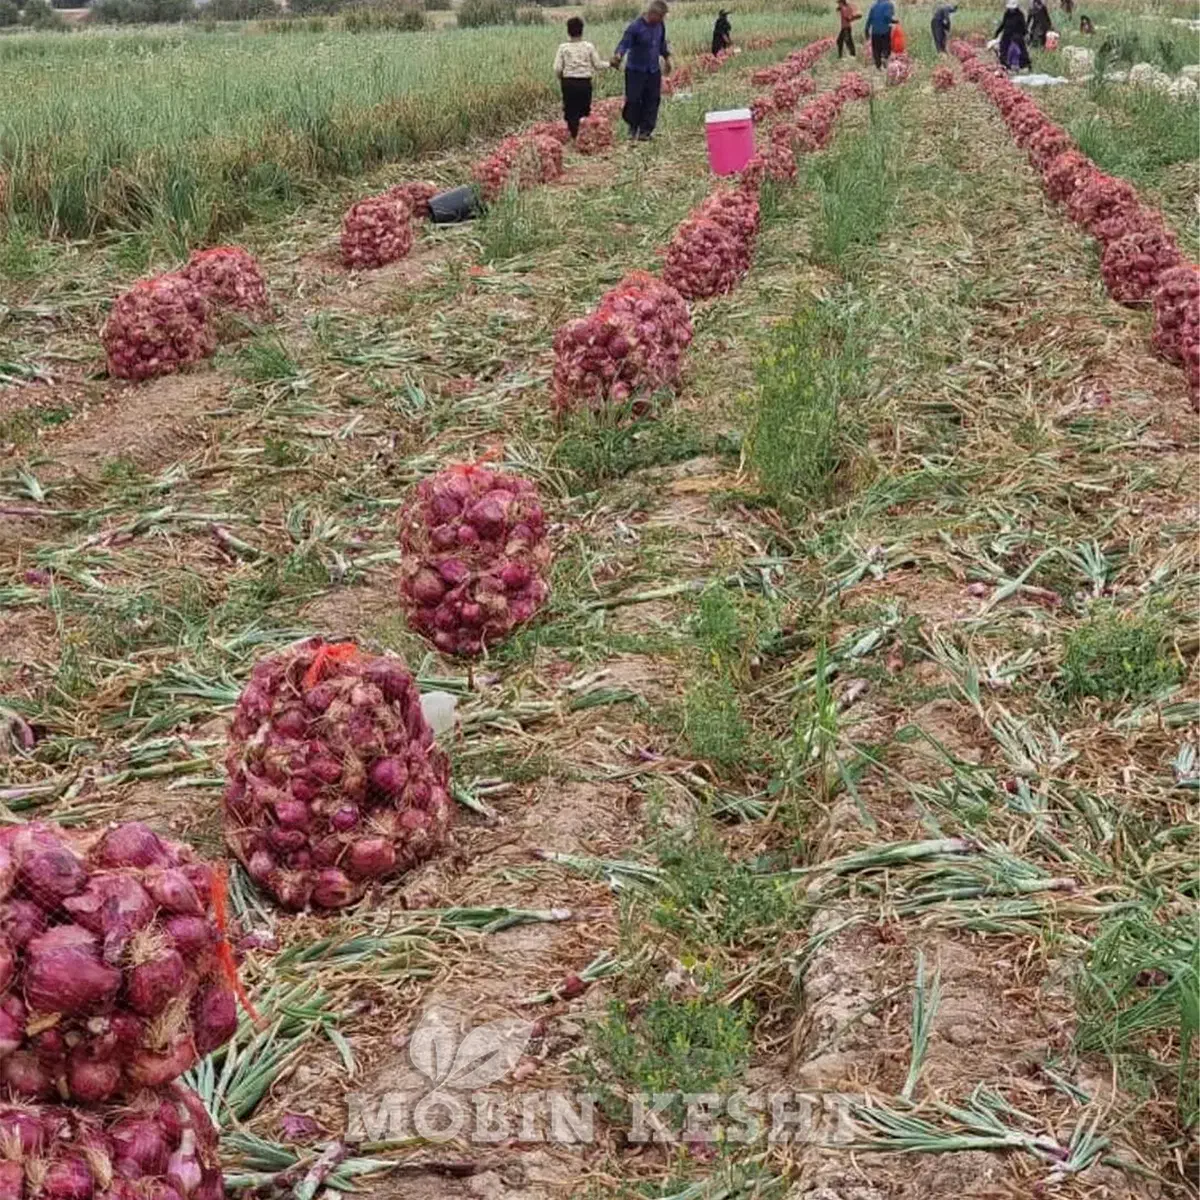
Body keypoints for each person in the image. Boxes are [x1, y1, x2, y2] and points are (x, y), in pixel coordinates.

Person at [611, 0, 673, 142]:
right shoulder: (635, 27)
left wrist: (668, 59)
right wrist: (618, 55)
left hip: (653, 70)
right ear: (652, 13)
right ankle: (633, 128)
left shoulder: (660, 26)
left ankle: (645, 131)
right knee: (633, 100)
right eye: (660, 16)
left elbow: (662, 44)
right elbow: (624, 44)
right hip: (635, 70)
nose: (662, 19)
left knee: (652, 100)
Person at [554, 17, 606, 140]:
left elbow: (557, 68)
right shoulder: (588, 47)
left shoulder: (563, 48)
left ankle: (574, 136)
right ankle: (584, 137)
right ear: (582, 31)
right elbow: (598, 65)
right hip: (584, 83)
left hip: (568, 83)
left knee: (571, 111)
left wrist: (561, 78)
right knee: (584, 110)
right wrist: (610, 63)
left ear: (568, 31)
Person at [995, 0, 1030, 69]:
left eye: (1012, 9)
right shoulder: (1007, 14)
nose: (1011, 10)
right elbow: (1003, 24)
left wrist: (1026, 34)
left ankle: (1023, 65)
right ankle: (1005, 64)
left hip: (1017, 35)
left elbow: (1023, 26)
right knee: (1003, 48)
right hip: (1007, 34)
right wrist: (998, 32)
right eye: (1010, 8)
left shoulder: (1020, 15)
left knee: (1020, 50)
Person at [864, 0, 896, 68]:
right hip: (885, 31)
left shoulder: (874, 6)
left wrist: (866, 30)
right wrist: (894, 21)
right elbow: (887, 17)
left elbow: (869, 19)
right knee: (886, 48)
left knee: (876, 50)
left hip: (875, 32)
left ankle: (878, 67)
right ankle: (885, 60)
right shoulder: (889, 4)